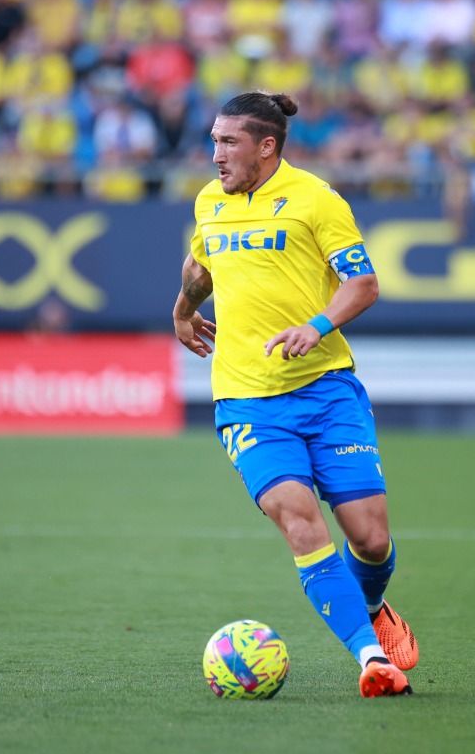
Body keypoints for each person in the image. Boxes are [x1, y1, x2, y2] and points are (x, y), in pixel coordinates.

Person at [171, 91, 418, 698]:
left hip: (327, 391)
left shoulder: (316, 200)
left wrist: (316, 327)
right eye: (213, 141)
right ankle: (369, 660)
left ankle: (374, 608)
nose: (216, 155)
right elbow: (201, 267)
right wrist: (182, 310)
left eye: (228, 143)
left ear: (267, 146)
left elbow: (362, 283)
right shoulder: (211, 202)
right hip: (247, 401)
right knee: (300, 520)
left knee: (371, 538)